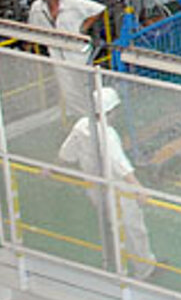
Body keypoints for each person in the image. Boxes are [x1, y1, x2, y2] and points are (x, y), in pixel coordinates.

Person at [57, 85, 154, 278]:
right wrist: (139, 189)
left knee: (112, 223)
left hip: (94, 186)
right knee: (133, 227)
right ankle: (144, 269)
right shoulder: (108, 134)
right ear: (110, 111)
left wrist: (51, 168)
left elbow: (66, 154)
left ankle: (119, 261)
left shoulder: (81, 125)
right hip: (117, 189)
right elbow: (119, 164)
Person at [27, 0, 106, 117]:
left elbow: (99, 9)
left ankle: (96, 116)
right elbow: (32, 27)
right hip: (57, 54)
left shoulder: (73, 3)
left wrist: (83, 27)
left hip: (78, 53)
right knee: (68, 90)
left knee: (84, 87)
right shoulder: (37, 8)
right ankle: (81, 119)